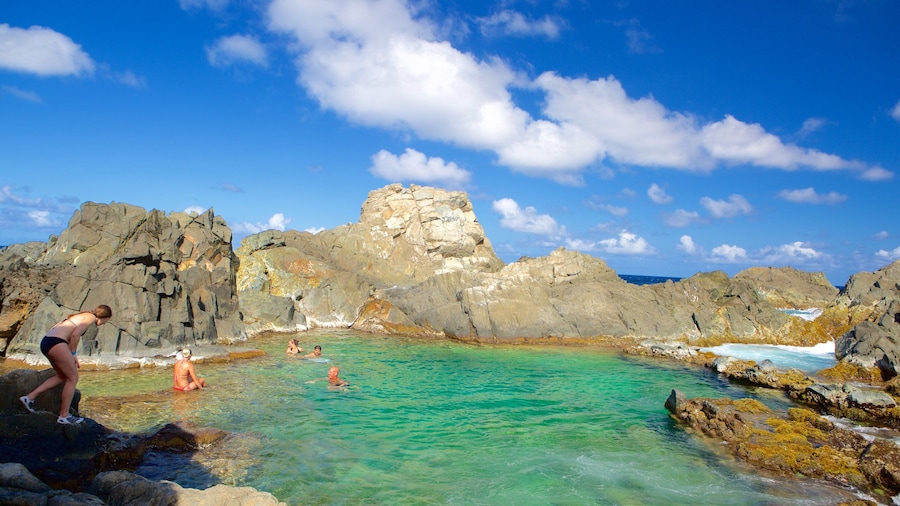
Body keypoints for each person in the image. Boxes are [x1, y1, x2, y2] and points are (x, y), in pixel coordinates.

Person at [20, 304, 112, 425]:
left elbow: (68, 334)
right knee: (73, 378)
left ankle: (29, 398)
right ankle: (64, 416)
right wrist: (73, 354)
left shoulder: (80, 315)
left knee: (63, 376)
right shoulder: (90, 316)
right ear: (104, 317)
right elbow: (75, 335)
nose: (105, 323)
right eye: (107, 320)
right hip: (57, 342)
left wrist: (68, 354)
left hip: (47, 342)